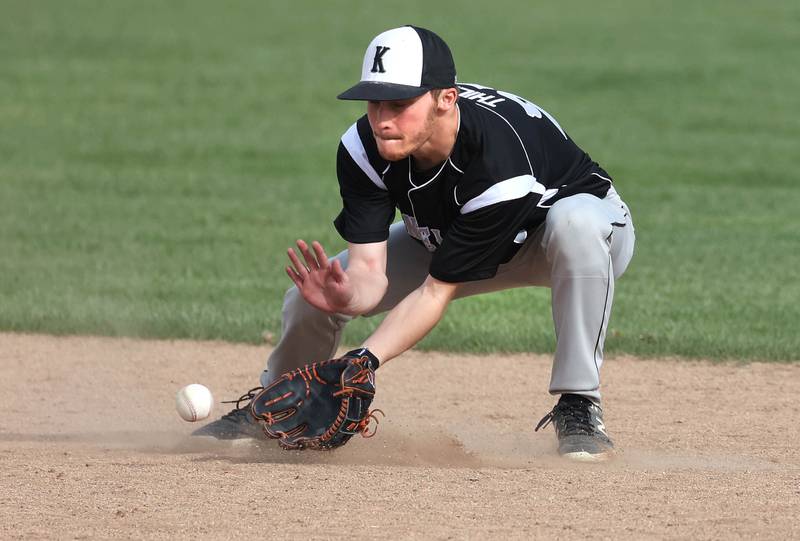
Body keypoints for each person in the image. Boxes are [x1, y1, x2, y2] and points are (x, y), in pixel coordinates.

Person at [194, 25, 635, 462]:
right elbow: (369, 270)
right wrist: (348, 295)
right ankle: (268, 411)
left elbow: (435, 292)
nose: (383, 119)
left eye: (400, 104)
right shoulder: (362, 147)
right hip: (446, 235)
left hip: (568, 240)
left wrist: (364, 361)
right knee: (309, 298)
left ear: (446, 99)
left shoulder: (499, 163)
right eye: (375, 101)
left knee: (574, 223)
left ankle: (579, 404)